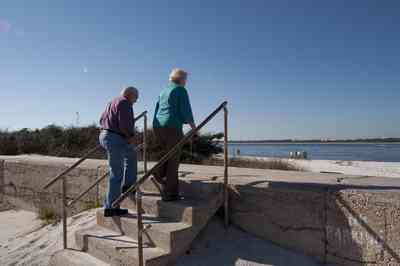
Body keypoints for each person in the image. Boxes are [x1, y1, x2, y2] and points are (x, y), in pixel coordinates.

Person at [153, 69, 196, 201]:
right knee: (173, 159)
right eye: (186, 79)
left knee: (164, 155)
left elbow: (157, 109)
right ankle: (170, 193)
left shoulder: (163, 91)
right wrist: (193, 126)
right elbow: (185, 109)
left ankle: (158, 174)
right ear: (181, 79)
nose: (186, 82)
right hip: (172, 126)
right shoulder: (180, 89)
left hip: (158, 125)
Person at [99, 86, 139, 217]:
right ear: (130, 95)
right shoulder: (124, 103)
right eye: (136, 98)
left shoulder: (112, 102)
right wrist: (131, 137)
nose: (135, 101)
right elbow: (125, 124)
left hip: (107, 134)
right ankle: (111, 206)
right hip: (116, 137)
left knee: (131, 155)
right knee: (116, 173)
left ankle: (128, 186)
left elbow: (101, 119)